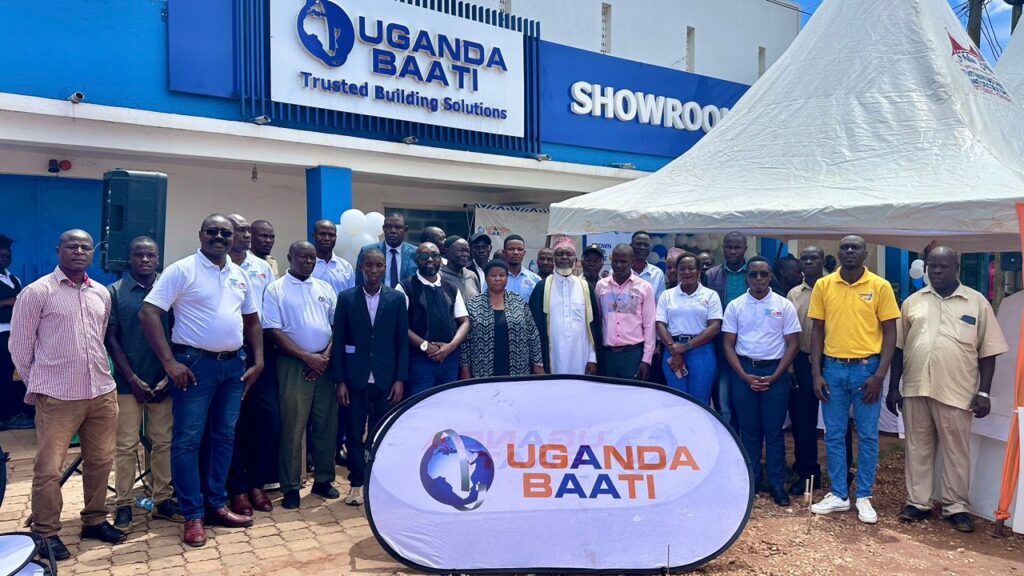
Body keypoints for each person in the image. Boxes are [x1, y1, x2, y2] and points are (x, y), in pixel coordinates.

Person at [140, 214, 264, 547]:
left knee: (224, 437)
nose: (219, 237)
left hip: (233, 367)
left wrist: (259, 360)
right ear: (200, 234)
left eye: (225, 233)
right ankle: (193, 515)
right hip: (194, 367)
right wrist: (169, 362)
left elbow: (252, 321)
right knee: (188, 440)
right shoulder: (182, 270)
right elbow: (149, 312)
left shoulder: (239, 274)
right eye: (213, 232)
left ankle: (216, 505)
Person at [9, 230, 126, 559]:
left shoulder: (101, 293)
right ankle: (45, 533)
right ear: (58, 250)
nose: (78, 251)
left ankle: (94, 519)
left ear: (93, 253)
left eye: (85, 247)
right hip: (58, 397)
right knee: (49, 468)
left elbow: (99, 338)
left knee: (101, 461)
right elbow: (19, 347)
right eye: (72, 246)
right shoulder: (37, 292)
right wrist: (42, 384)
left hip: (101, 392)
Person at [887, 247, 1008, 533]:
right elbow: (899, 349)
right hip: (916, 387)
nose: (937, 271)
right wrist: (894, 388)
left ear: (956, 267)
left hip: (957, 390)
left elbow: (988, 352)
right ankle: (918, 503)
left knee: (956, 451)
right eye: (932, 266)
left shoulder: (977, 303)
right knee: (918, 448)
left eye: (943, 266)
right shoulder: (912, 302)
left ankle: (957, 507)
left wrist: (984, 393)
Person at [809, 235, 899, 525]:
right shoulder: (824, 285)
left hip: (866, 370)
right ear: (838, 252)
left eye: (855, 247)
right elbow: (817, 331)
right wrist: (816, 372)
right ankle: (839, 494)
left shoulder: (880, 286)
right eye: (845, 247)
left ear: (865, 253)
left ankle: (863, 495)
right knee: (834, 434)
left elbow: (890, 333)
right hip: (833, 368)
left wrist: (880, 375)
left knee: (868, 435)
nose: (849, 251)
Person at [107, 237, 183, 532]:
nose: (144, 259)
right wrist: (133, 379)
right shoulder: (115, 292)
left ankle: (162, 499)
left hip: (163, 381)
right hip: (129, 384)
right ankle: (123, 504)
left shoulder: (169, 290)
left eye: (150, 255)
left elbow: (179, 333)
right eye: (138, 254)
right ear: (129, 258)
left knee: (162, 442)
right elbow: (111, 339)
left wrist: (167, 375)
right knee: (125, 446)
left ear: (158, 258)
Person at [262, 241, 339, 510]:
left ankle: (323, 480)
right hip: (293, 364)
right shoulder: (275, 289)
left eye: (312, 257)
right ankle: (291, 486)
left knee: (325, 425)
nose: (308, 261)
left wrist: (325, 357)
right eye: (303, 257)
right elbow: (273, 332)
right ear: (289, 257)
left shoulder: (324, 288)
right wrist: (307, 358)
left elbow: (335, 326)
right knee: (293, 427)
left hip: (325, 365)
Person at [721, 256, 801, 507]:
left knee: (774, 432)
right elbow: (728, 344)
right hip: (744, 371)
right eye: (753, 275)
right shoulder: (735, 305)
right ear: (747, 277)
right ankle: (752, 480)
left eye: (763, 274)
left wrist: (776, 375)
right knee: (749, 431)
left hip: (775, 373)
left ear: (770, 277)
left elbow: (793, 344)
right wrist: (744, 376)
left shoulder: (783, 305)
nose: (758, 279)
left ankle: (777, 483)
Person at [333, 248, 408, 506]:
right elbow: (340, 340)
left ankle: (379, 481)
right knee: (354, 433)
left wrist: (400, 379)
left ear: (384, 268)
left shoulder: (396, 300)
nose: (373, 270)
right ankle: (356, 482)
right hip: (355, 379)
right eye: (368, 265)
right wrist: (340, 380)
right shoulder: (346, 298)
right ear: (361, 268)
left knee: (382, 431)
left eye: (378, 265)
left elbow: (401, 342)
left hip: (387, 380)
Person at [225, 214, 277, 516]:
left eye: (247, 230)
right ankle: (238, 489)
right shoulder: (220, 267)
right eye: (240, 230)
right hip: (231, 351)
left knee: (266, 419)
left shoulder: (261, 268)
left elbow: (266, 311)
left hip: (261, 352)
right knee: (231, 424)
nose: (245, 235)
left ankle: (258, 483)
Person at [398, 242, 471, 396]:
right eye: (424, 256)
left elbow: (464, 321)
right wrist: (426, 346)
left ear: (440, 259)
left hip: (450, 362)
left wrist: (450, 347)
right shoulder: (405, 287)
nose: (430, 259)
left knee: (447, 408)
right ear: (417, 260)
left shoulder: (451, 288)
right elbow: (399, 326)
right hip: (419, 362)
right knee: (419, 409)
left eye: (435, 255)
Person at [655, 252, 722, 405]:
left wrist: (685, 347)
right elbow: (660, 324)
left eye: (691, 268)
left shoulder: (711, 295)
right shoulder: (667, 295)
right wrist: (674, 349)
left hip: (701, 352)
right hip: (672, 351)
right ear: (677, 271)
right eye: (682, 269)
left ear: (699, 271)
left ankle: (699, 430)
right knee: (677, 400)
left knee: (700, 401)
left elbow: (715, 327)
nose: (686, 272)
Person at [786, 245, 826, 496]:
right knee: (803, 421)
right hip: (800, 360)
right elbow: (787, 331)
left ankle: (843, 474)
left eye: (814, 257)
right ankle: (807, 472)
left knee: (837, 422)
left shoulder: (834, 287)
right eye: (805, 258)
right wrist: (790, 366)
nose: (809, 262)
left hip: (830, 360)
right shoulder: (793, 294)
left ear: (823, 260)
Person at [461, 259, 544, 378]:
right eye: (493, 275)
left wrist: (537, 363)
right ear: (486, 278)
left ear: (507, 278)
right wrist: (465, 368)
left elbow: (533, 334)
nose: (497, 279)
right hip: (483, 369)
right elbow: (465, 341)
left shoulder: (518, 302)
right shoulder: (473, 304)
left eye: (501, 275)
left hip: (518, 368)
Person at [529, 239, 599, 375]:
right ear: (554, 259)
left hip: (581, 356)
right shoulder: (542, 287)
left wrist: (592, 358)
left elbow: (593, 326)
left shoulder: (585, 287)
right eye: (560, 254)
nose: (565, 257)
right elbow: (533, 327)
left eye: (569, 254)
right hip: (552, 356)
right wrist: (537, 362)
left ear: (575, 258)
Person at [704, 231, 749, 430]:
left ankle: (747, 450)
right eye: (728, 247)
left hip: (750, 347)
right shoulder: (711, 275)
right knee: (723, 403)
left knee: (746, 403)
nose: (732, 251)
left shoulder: (757, 272)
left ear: (745, 249)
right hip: (721, 346)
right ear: (723, 248)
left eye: (737, 247)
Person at [595, 245, 656, 380]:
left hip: (633, 355)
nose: (618, 265)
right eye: (615, 261)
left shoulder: (645, 288)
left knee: (633, 398)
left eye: (623, 262)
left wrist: (646, 360)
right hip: (608, 356)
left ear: (632, 262)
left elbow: (650, 325)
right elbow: (598, 321)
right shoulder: (601, 286)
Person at [0, 234, 32, 431]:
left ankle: (16, 413)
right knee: (2, 375)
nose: (5, 257)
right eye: (1, 254)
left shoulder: (14, 278)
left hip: (16, 333)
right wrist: (7, 302)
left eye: (7, 254)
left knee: (15, 375)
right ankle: (4, 416)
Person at [356, 212, 417, 288]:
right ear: (383, 229)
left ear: (405, 229)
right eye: (388, 227)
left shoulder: (416, 253)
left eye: (398, 227)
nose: (393, 231)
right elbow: (359, 283)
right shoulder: (367, 251)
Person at [311, 219, 355, 295]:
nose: (327, 238)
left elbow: (350, 297)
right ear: (313, 236)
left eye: (331, 235)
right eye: (322, 234)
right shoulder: (306, 265)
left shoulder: (346, 267)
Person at [440, 236, 481, 301]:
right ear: (447, 251)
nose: (465, 254)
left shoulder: (472, 275)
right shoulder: (439, 276)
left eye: (467, 251)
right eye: (461, 250)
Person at [503, 235, 541, 300]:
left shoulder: (535, 279)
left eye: (519, 249)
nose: (516, 252)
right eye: (511, 249)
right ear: (504, 252)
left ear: (524, 253)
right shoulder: (494, 279)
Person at [630, 231, 666, 300]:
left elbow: (659, 303)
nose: (642, 247)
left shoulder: (657, 274)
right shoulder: (619, 272)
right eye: (639, 244)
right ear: (631, 246)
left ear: (650, 248)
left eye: (646, 245)